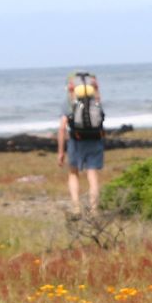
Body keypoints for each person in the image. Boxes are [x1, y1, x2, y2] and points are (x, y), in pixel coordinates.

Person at [57, 73, 105, 213]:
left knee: (73, 173)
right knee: (92, 175)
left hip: (76, 142)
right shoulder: (95, 101)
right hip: (95, 140)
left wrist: (61, 152)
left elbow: (61, 128)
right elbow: (99, 108)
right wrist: (97, 88)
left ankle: (76, 207)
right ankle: (94, 209)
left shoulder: (69, 103)